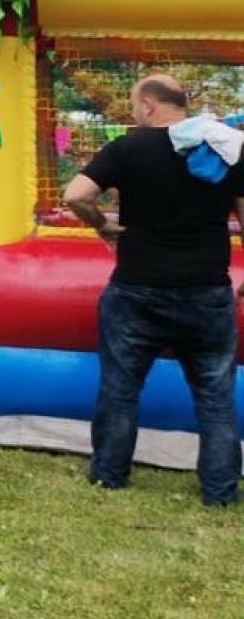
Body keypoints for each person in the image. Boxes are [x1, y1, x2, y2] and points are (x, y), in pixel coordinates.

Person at [63, 73, 244, 507]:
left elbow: (75, 194)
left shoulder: (128, 147)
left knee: (120, 389)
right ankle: (220, 492)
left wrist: (101, 224)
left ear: (148, 105)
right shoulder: (225, 149)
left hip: (136, 291)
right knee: (215, 396)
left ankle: (109, 476)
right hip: (206, 291)